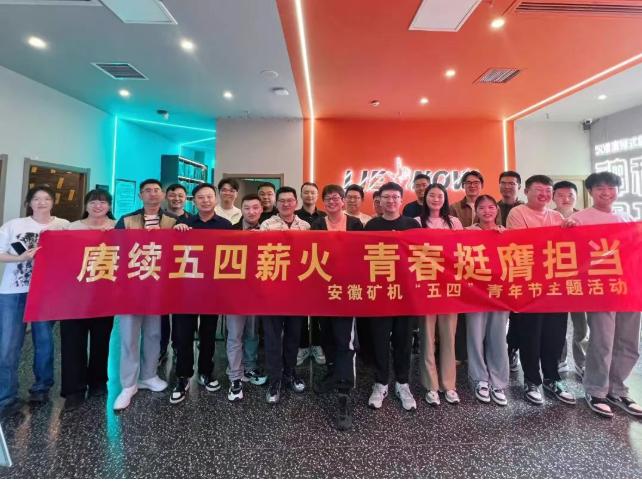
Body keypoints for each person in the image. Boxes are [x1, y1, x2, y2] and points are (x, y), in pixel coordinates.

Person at [568, 172, 642, 418]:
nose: (606, 192)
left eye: (611, 188)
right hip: (600, 289)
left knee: (628, 342)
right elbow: (568, 249)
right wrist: (567, 230)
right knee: (602, 340)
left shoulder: (627, 218)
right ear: (590, 191)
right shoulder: (579, 218)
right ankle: (596, 390)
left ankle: (617, 389)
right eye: (600, 188)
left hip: (629, 288)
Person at [0, 185, 69, 418]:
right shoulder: (14, 225)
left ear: (53, 202)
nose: (41, 202)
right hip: (13, 291)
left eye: (46, 198)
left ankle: (41, 388)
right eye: (36, 199)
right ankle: (6, 396)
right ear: (29, 203)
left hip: (47, 292)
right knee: (8, 344)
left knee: (44, 341)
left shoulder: (63, 225)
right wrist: (20, 257)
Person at [506, 175, 574, 406]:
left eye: (548, 190)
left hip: (555, 287)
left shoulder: (557, 216)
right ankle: (532, 380)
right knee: (530, 335)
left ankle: (552, 379)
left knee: (555, 335)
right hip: (529, 286)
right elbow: (521, 244)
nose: (544, 194)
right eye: (538, 190)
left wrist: (571, 230)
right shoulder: (518, 213)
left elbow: (566, 247)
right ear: (526, 191)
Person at [113, 179, 176, 411]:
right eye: (147, 191)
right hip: (131, 287)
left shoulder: (172, 221)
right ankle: (128, 384)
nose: (152, 194)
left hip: (159, 288)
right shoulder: (127, 220)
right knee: (129, 335)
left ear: (163, 195)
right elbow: (115, 248)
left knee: (153, 333)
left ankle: (149, 375)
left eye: (156, 190)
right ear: (141, 196)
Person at [170, 183, 233, 404]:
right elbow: (171, 252)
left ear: (215, 199)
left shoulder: (225, 225)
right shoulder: (184, 223)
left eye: (209, 197)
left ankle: (206, 371)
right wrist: (176, 232)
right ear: (194, 201)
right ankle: (183, 376)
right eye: (200, 197)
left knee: (208, 334)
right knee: (183, 335)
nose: (205, 201)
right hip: (185, 290)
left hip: (212, 290)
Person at [310, 184, 363, 430]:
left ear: (343, 201)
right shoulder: (317, 224)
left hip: (347, 291)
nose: (332, 202)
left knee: (345, 341)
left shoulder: (355, 224)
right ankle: (332, 373)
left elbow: (362, 254)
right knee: (327, 337)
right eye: (328, 199)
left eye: (336, 198)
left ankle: (344, 392)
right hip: (323, 290)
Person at [364, 182, 420, 411]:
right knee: (379, 339)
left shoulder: (412, 224)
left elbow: (421, 255)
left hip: (405, 293)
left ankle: (403, 383)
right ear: (379, 200)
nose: (391, 201)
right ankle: (380, 383)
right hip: (380, 294)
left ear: (401, 199)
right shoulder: (372, 225)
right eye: (386, 197)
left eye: (395, 197)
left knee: (403, 340)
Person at [60, 189, 116, 411]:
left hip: (104, 294)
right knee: (73, 341)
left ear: (109, 206)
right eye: (93, 202)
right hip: (73, 295)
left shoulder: (117, 227)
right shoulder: (71, 228)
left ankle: (98, 382)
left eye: (103, 202)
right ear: (86, 205)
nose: (98, 206)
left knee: (101, 340)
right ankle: (74, 389)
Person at [260, 186, 310, 403]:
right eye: (282, 201)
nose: (286, 204)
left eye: (290, 200)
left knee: (293, 335)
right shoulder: (266, 225)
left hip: (297, 292)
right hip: (272, 291)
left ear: (296, 203)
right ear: (276, 203)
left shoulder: (306, 226)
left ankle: (290, 372)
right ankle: (275, 378)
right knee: (272, 337)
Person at [416, 183, 463, 406]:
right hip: (425, 285)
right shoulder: (417, 222)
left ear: (445, 199)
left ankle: (449, 384)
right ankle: (431, 386)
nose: (436, 199)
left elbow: (464, 249)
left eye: (440, 196)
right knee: (427, 337)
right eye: (431, 195)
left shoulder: (454, 222)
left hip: (449, 286)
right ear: (425, 198)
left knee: (449, 337)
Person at [465, 195, 509, 406]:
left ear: (497, 210)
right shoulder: (467, 233)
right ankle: (479, 378)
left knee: (498, 336)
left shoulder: (506, 233)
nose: (487, 211)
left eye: (491, 207)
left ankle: (498, 381)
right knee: (475, 336)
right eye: (481, 208)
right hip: (474, 293)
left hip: (499, 293)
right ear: (476, 211)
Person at [226, 193, 268, 402]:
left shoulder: (269, 231)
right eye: (247, 208)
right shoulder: (230, 231)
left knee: (252, 332)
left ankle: (249, 367)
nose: (251, 212)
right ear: (240, 210)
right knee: (235, 335)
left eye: (255, 208)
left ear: (262, 210)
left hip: (257, 292)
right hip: (235, 293)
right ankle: (235, 376)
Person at [552, 180, 587, 377]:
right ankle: (560, 358)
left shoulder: (585, 218)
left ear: (576, 197)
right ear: (553, 197)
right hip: (555, 278)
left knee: (581, 324)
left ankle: (582, 362)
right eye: (561, 195)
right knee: (558, 323)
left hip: (580, 278)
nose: (565, 199)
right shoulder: (548, 218)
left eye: (570, 195)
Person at [295, 182, 327, 366]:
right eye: (306, 192)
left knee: (317, 311)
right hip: (298, 269)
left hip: (319, 268)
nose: (309, 195)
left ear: (317, 195)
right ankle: (302, 346)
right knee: (300, 311)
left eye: (312, 192)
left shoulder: (323, 217)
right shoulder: (295, 216)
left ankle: (316, 344)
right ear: (301, 195)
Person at [160, 184, 191, 364]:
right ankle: (161, 348)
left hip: (184, 274)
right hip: (162, 273)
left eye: (180, 195)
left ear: (186, 198)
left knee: (181, 315)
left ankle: (178, 347)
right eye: (172, 195)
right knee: (161, 314)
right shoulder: (160, 218)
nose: (176, 199)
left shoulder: (192, 219)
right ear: (166, 197)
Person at [497, 171, 524, 373]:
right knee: (498, 314)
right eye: (504, 183)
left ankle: (512, 348)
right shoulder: (492, 207)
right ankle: (496, 351)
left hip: (520, 267)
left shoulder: (525, 209)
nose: (507, 186)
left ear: (519, 186)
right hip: (495, 268)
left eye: (512, 183)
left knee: (518, 314)